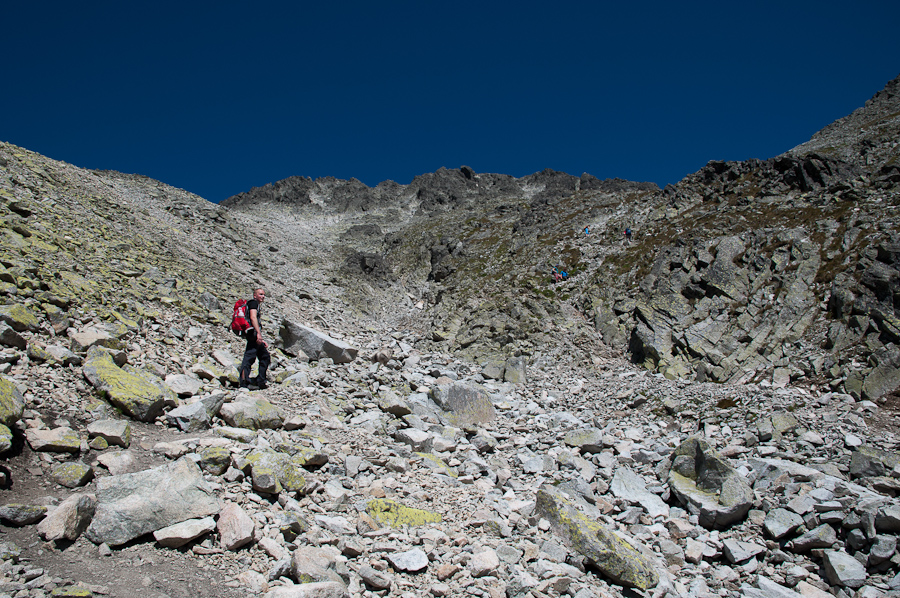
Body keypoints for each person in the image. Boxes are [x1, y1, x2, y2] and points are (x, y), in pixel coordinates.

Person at [239, 287, 270, 389]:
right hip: (253, 334)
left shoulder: (253, 303)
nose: (263, 296)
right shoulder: (253, 303)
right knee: (249, 357)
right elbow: (253, 317)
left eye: (263, 295)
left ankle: (260, 381)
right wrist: (258, 334)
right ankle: (244, 382)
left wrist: (261, 339)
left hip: (253, 334)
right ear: (255, 295)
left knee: (265, 356)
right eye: (260, 294)